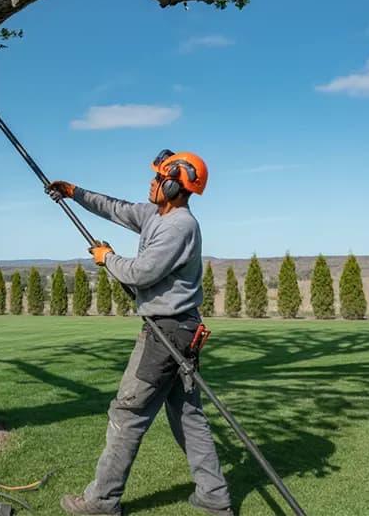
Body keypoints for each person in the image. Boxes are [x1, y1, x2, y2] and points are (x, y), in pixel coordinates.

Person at [45, 150, 232, 516]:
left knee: (127, 413)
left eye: (158, 177)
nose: (151, 182)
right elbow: (114, 208)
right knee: (188, 416)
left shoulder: (180, 226)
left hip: (167, 334)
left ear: (176, 184)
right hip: (181, 330)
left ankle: (100, 502)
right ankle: (214, 495)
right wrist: (73, 192)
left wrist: (107, 258)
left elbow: (142, 273)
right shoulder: (154, 214)